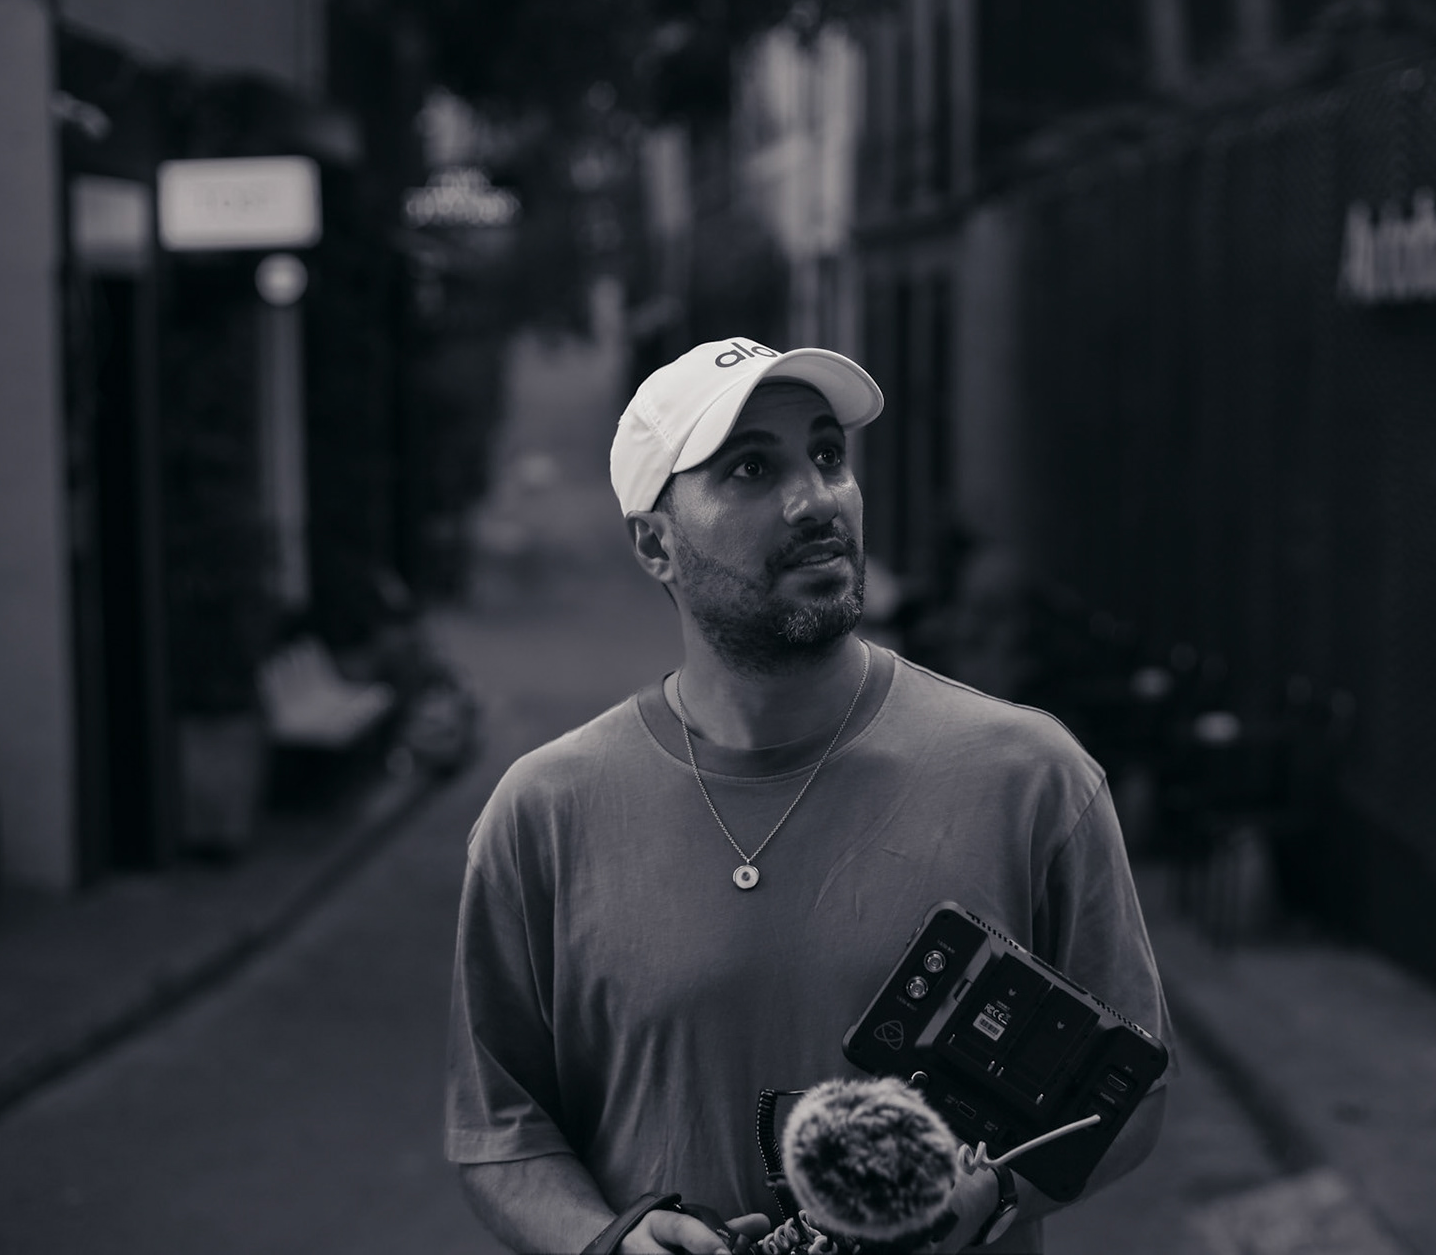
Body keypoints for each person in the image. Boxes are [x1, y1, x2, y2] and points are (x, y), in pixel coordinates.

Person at [445, 338, 1170, 1253]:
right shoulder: (542, 816)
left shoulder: (1030, 777)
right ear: (656, 544)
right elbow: (502, 1131)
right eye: (752, 468)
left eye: (828, 455)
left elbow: (1131, 1092)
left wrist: (992, 1199)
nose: (816, 499)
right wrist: (609, 1241)